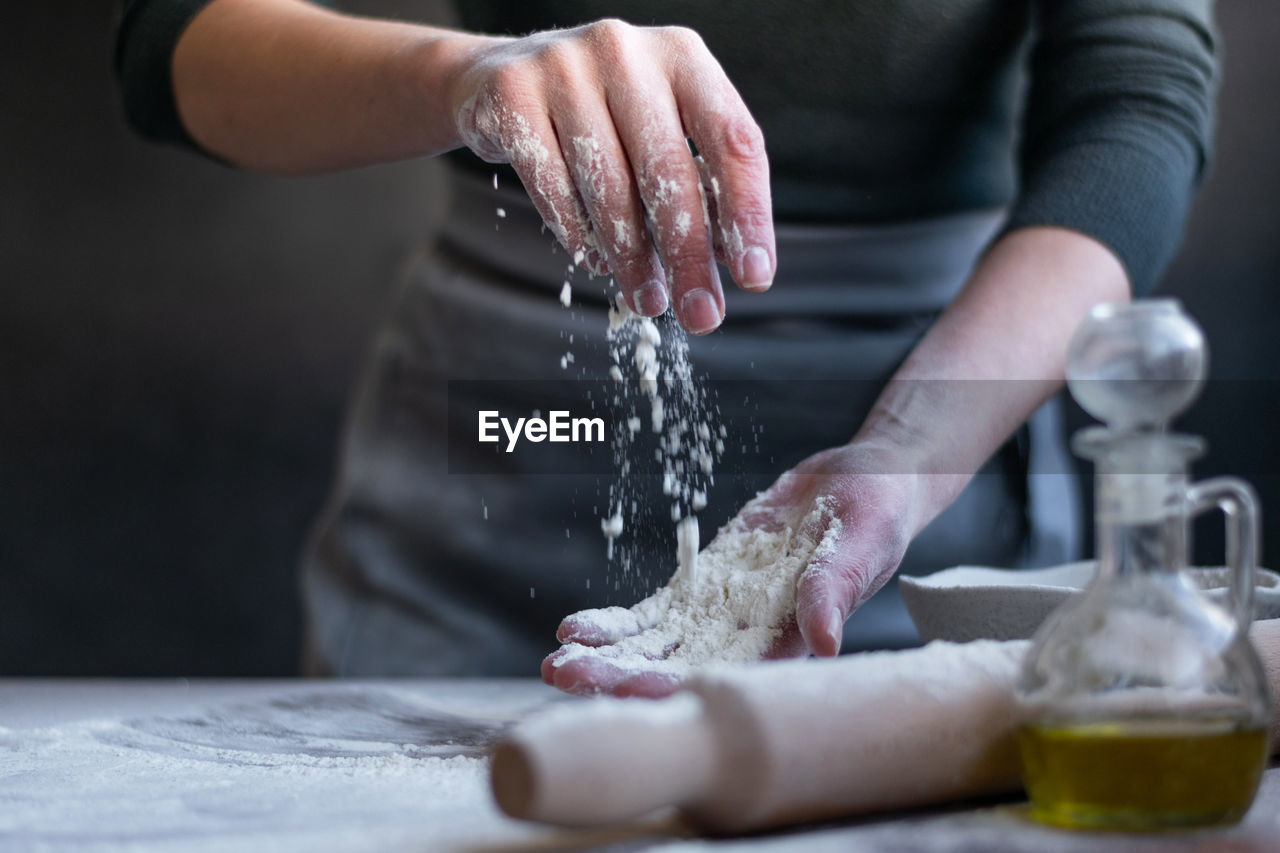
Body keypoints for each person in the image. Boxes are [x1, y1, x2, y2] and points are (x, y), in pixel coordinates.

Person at [116, 0, 1217, 694]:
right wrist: (460, 77)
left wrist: (906, 454)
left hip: (933, 445)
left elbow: (1136, 109)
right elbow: (172, 41)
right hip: (501, 457)